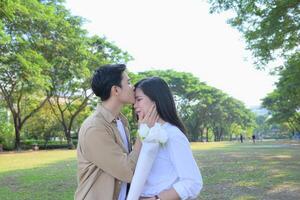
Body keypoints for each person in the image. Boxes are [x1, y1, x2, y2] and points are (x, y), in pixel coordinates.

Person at [74, 64, 157, 200]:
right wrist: (143, 133)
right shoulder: (95, 128)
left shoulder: (121, 121)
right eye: (128, 83)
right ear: (116, 90)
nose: (133, 88)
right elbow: (127, 171)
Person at [133, 77, 203, 200]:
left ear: (155, 101)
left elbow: (192, 182)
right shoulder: (144, 133)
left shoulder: (173, 135)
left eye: (139, 99)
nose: (134, 105)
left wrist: (156, 199)